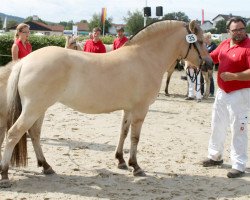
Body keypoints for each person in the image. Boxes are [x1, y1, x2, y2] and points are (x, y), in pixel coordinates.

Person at [201, 17, 250, 178]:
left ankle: (239, 164)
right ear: (228, 31)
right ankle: (215, 156)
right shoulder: (224, 44)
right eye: (235, 30)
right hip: (222, 92)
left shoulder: (248, 46)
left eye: (241, 28)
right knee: (217, 124)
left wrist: (234, 76)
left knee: (238, 128)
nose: (239, 32)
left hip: (240, 93)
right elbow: (211, 58)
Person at [204, 32, 217, 97]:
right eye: (205, 38)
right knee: (205, 77)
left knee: (210, 77)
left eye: (206, 38)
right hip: (204, 63)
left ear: (209, 38)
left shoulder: (213, 45)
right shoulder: (204, 45)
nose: (205, 39)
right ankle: (206, 91)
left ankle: (211, 92)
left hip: (211, 64)